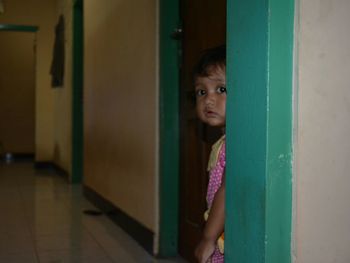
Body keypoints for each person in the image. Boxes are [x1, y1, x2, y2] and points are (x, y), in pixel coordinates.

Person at [193, 45, 226, 263]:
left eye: (221, 89)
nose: (208, 100)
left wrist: (208, 237)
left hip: (221, 238)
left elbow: (228, 187)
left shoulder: (239, 145)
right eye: (202, 92)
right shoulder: (223, 142)